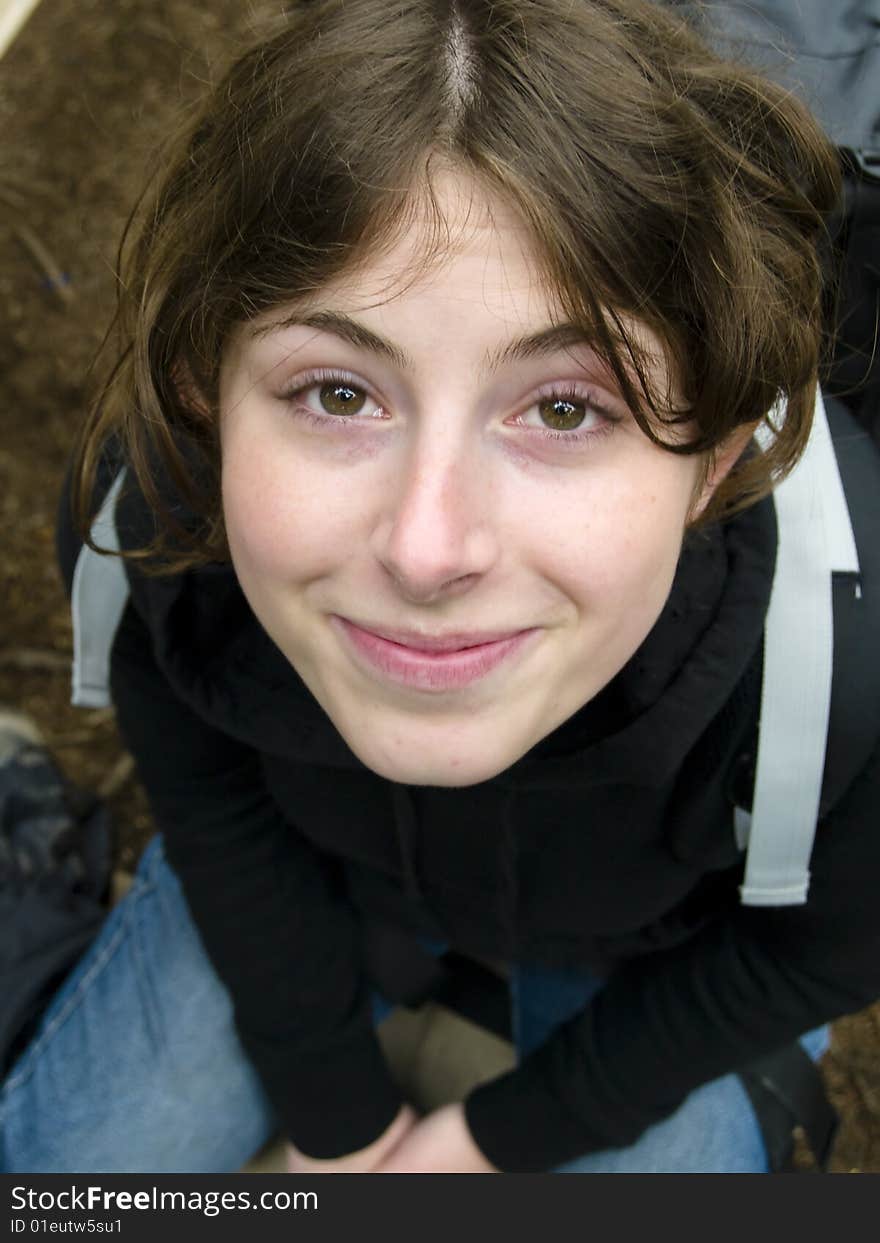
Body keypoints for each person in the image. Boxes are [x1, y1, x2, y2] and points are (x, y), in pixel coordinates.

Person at [2, 0, 878, 1173]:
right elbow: (214, 804)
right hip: (315, 877)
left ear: (711, 465)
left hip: (652, 959)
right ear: (205, 397)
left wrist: (503, 1136)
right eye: (337, 393)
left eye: (564, 408)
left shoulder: (848, 650)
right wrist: (331, 1098)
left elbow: (814, 950)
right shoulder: (148, 526)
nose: (427, 550)